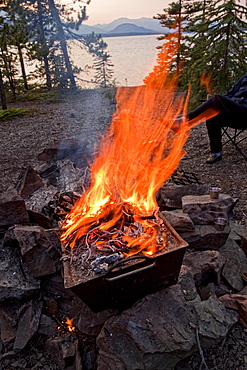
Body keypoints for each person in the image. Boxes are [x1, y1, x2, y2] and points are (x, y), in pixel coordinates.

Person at [176, 73, 247, 164]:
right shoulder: (245, 76)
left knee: (217, 98)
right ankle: (216, 152)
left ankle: (184, 121)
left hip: (245, 114)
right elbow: (230, 93)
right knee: (212, 113)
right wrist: (229, 102)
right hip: (234, 111)